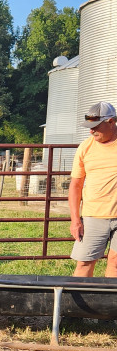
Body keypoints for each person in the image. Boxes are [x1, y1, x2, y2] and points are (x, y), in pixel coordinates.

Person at [69, 101, 117, 277]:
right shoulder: (86, 147)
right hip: (93, 215)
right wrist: (75, 220)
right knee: (84, 262)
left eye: (95, 126)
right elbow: (76, 185)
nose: (91, 130)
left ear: (111, 122)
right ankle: (74, 304)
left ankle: (110, 304)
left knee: (116, 263)